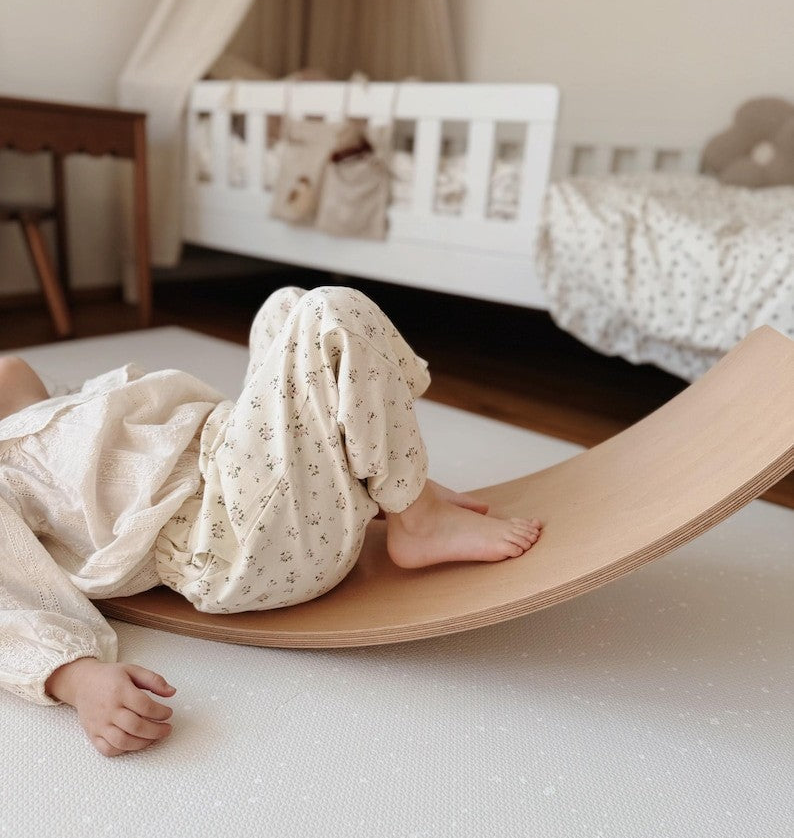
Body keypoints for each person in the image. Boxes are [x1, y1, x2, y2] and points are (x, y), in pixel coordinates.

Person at [0, 285, 542, 757]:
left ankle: (390, 483)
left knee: (283, 309)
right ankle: (416, 516)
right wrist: (78, 679)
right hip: (231, 537)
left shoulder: (41, 399)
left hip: (233, 467)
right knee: (330, 313)